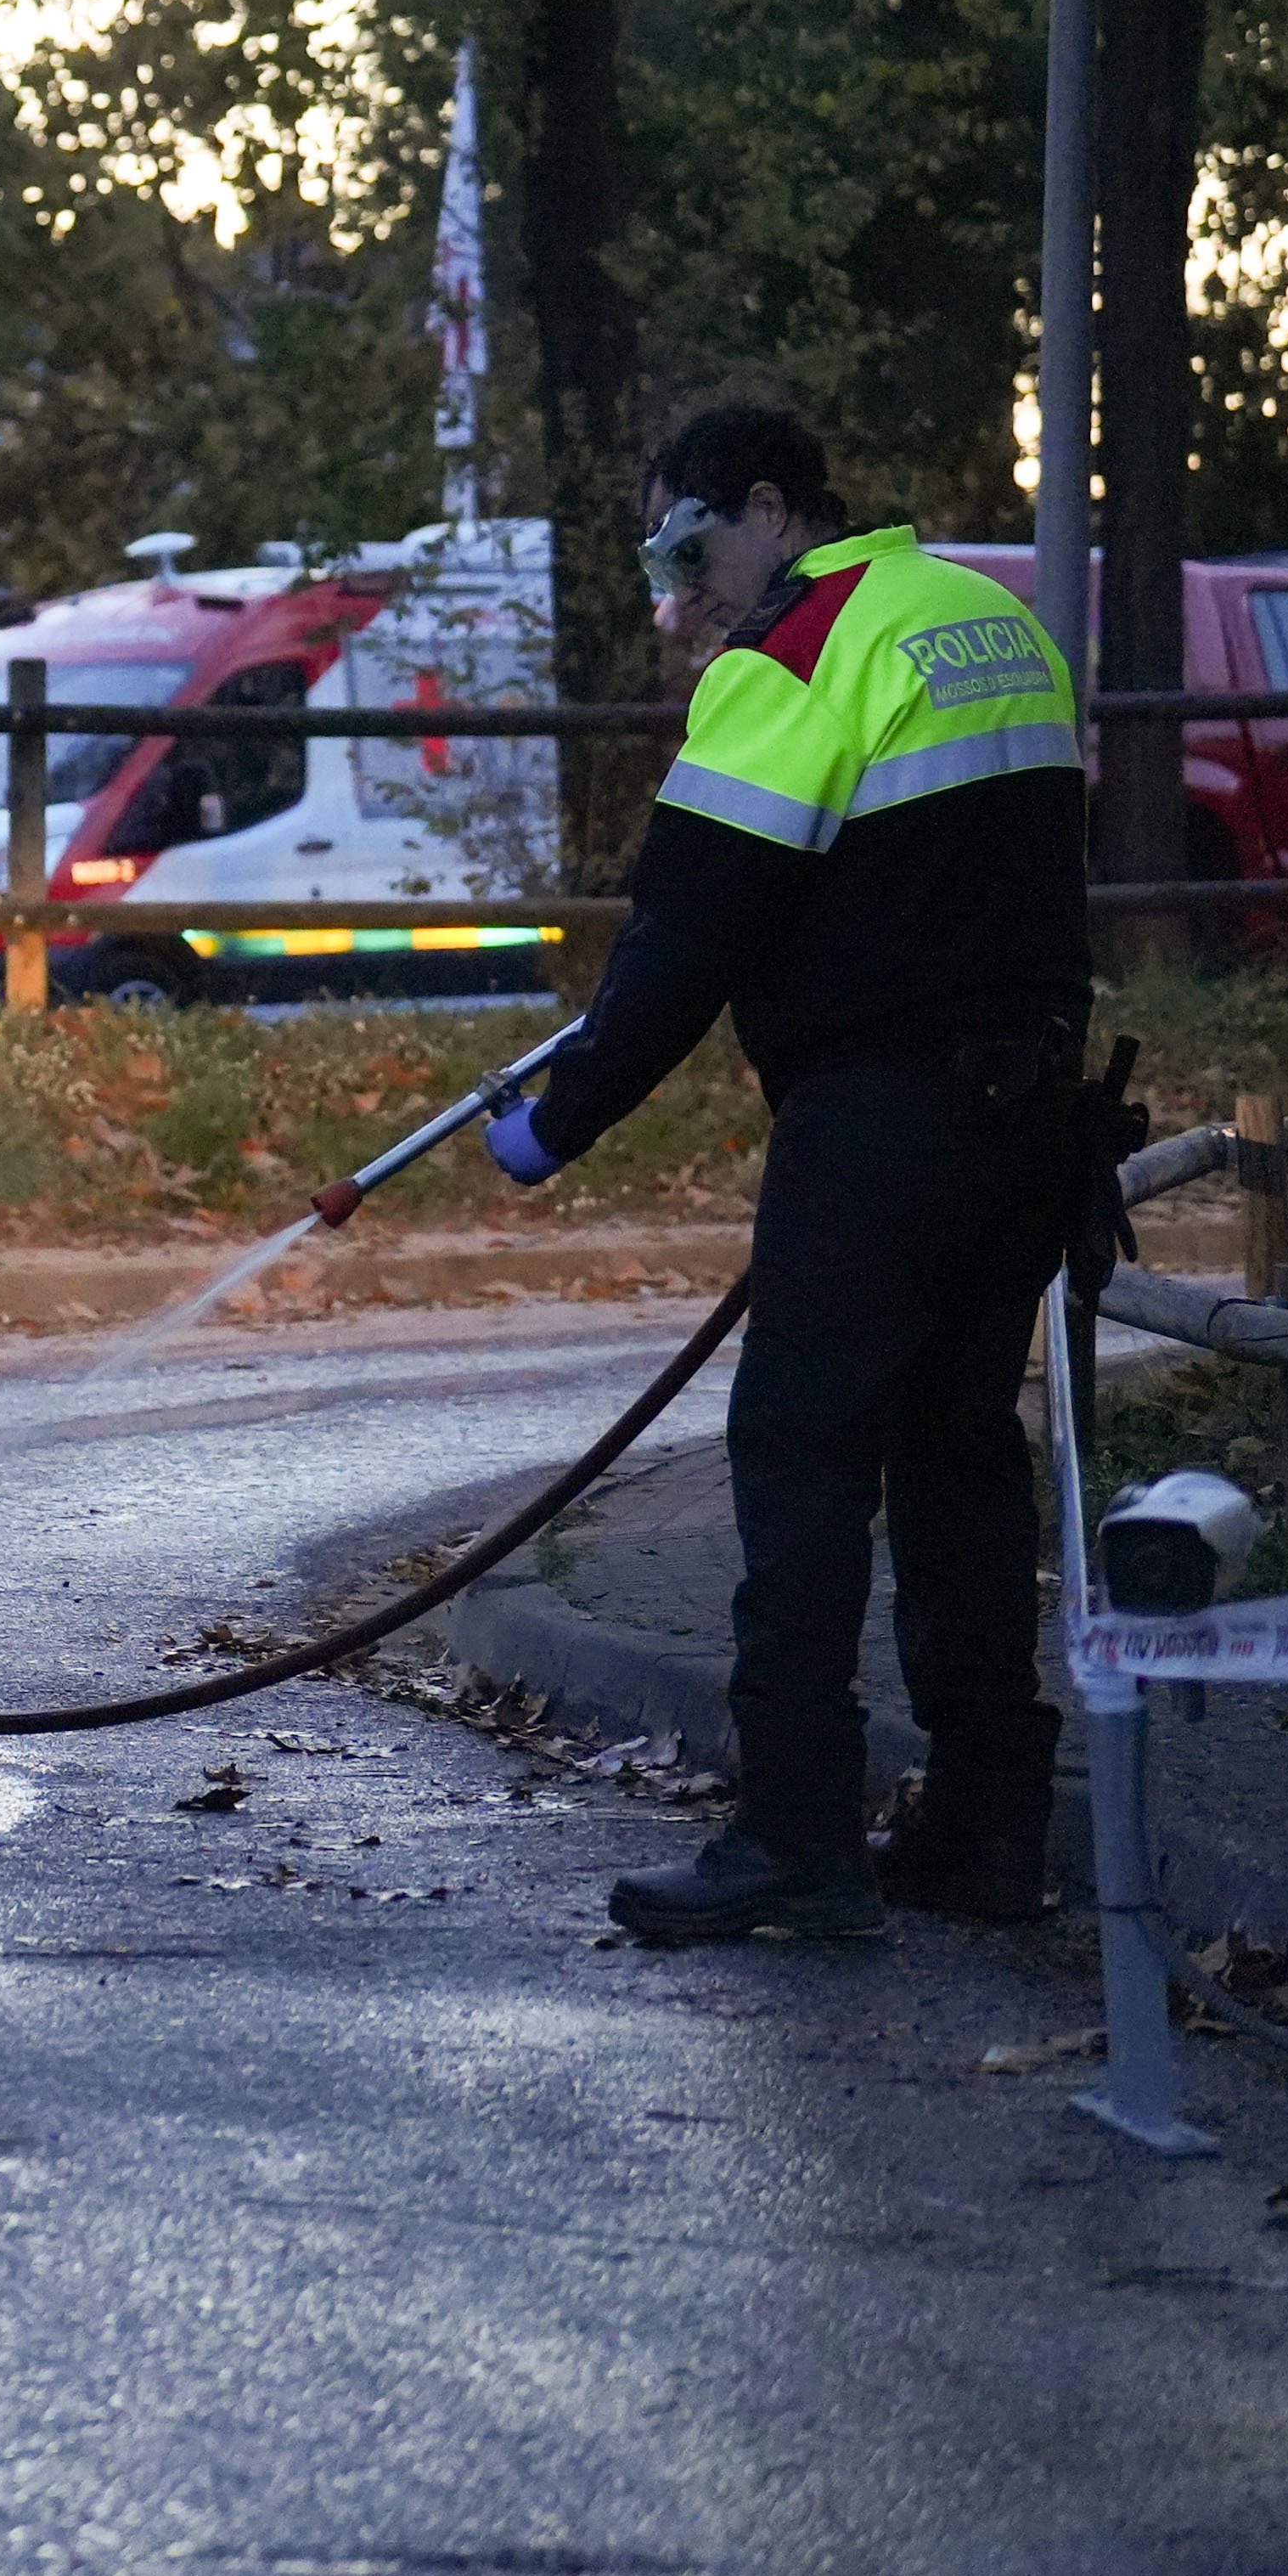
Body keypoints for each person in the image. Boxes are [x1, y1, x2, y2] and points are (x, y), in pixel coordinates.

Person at [488, 404, 1093, 1944]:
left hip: (880, 1122)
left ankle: (796, 1836)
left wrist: (561, 1121)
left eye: (689, 546)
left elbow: (687, 934)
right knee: (960, 1454)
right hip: (1030, 1118)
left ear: (769, 510)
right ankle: (985, 1825)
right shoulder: (981, 616)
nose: (679, 590)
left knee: (802, 1455)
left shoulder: (793, 662)